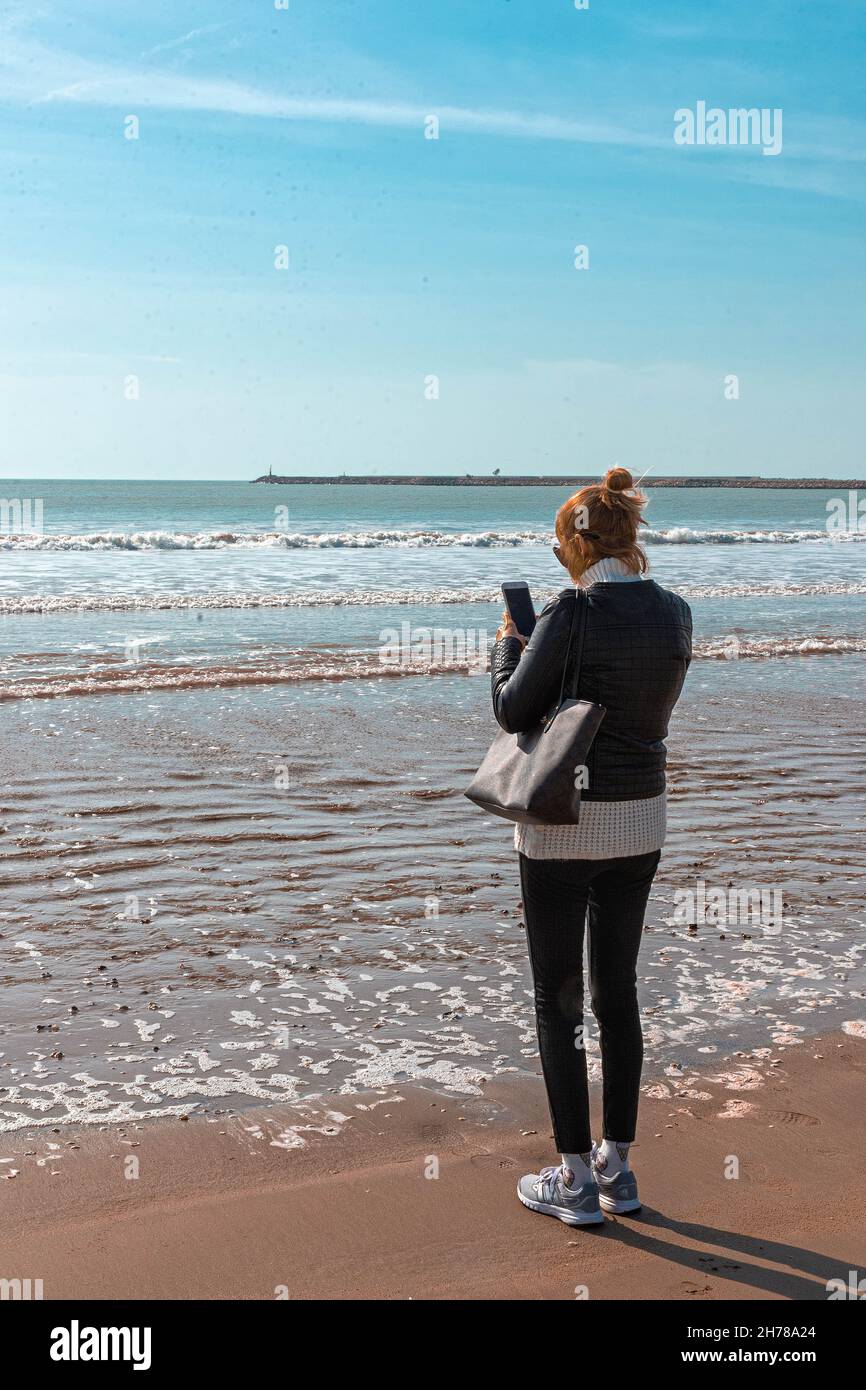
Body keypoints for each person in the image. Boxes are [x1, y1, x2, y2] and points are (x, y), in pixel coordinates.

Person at [490, 467, 692, 1226]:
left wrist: (510, 641)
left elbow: (514, 713)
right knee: (619, 993)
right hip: (643, 821)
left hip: (562, 826)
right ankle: (618, 1170)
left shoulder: (570, 612)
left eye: (556, 547)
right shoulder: (675, 612)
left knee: (559, 999)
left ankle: (573, 1179)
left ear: (577, 546)